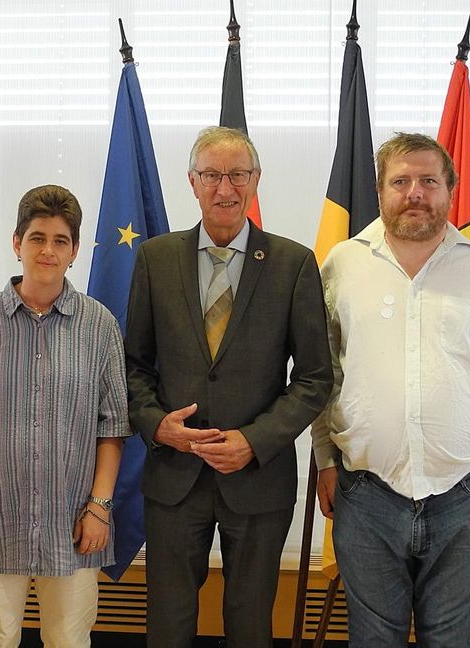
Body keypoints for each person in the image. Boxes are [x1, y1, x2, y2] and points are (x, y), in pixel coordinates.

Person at [311, 132, 470, 647]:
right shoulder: (342, 266)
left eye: (429, 181)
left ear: (449, 190)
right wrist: (325, 461)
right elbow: (321, 375)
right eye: (401, 181)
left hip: (463, 495)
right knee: (372, 640)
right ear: (380, 190)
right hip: (364, 494)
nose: (415, 192)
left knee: (451, 639)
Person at [124, 126, 333, 648]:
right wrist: (157, 427)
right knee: (168, 625)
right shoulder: (155, 258)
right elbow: (132, 367)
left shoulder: (293, 263)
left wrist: (255, 441)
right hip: (174, 477)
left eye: (238, 174)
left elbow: (314, 378)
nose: (225, 188)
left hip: (258, 479)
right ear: (192, 183)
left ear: (255, 181)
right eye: (213, 175)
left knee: (250, 623)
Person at [0, 184, 129, 648]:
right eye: (37, 238)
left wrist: (100, 507)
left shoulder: (99, 325)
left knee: (69, 641)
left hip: (73, 523)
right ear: (17, 243)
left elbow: (112, 427)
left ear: (73, 251)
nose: (48, 250)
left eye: (60, 241)